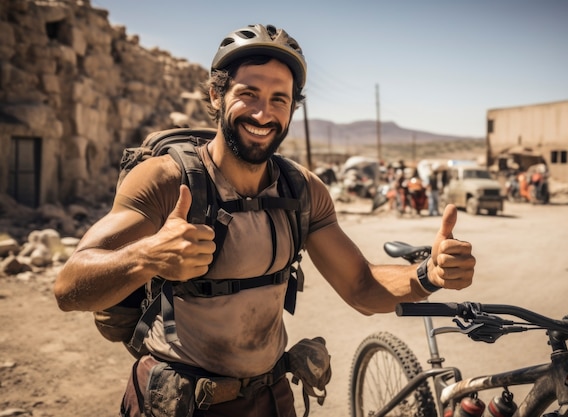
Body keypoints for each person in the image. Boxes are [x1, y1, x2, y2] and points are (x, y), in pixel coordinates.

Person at [54, 24, 475, 417]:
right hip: (177, 402)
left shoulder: (301, 191)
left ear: (293, 108)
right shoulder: (167, 180)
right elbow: (69, 287)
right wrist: (147, 257)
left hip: (270, 400)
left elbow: (361, 287)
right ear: (216, 97)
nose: (262, 113)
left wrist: (427, 275)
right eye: (248, 93)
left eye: (279, 99)